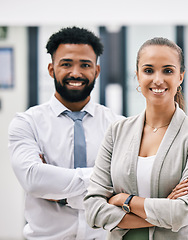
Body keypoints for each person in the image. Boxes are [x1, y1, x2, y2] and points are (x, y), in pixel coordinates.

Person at [84, 37, 188, 240]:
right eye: (148, 70)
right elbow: (93, 209)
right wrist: (163, 211)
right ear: (137, 76)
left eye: (168, 71)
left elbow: (183, 212)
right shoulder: (117, 131)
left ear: (181, 77)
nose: (158, 79)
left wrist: (125, 200)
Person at [8, 26, 123, 239]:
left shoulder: (119, 126)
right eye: (66, 64)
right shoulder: (27, 123)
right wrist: (103, 180)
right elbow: (34, 180)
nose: (76, 73)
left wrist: (57, 191)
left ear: (96, 71)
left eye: (85, 65)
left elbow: (126, 184)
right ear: (52, 69)